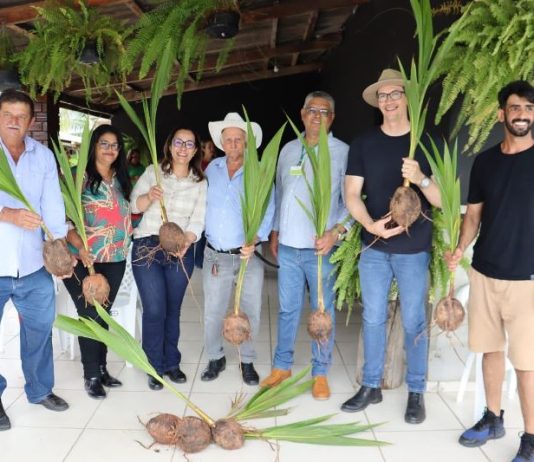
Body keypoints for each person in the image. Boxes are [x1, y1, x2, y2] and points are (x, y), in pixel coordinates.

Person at [341, 69, 441, 423]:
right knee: (373, 317)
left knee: (414, 320)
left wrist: (421, 178)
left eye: (394, 93)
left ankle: (416, 391)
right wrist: (371, 225)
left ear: (407, 98)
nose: (388, 101)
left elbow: (441, 200)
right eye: (382, 96)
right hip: (374, 248)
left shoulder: (426, 142)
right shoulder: (364, 143)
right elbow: (351, 194)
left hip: (414, 250)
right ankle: (371, 386)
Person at [445, 80, 534, 461]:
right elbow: (473, 216)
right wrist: (460, 248)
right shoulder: (485, 162)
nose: (522, 115)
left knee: (527, 364)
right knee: (490, 350)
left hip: (527, 279)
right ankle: (493, 418)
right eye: (515, 108)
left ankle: (531, 438)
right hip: (484, 272)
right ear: (501, 114)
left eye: (528, 108)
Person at [261, 91, 349, 400]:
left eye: (324, 112)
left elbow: (352, 200)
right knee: (287, 309)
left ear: (332, 118)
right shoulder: (288, 149)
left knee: (322, 312)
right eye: (312, 110)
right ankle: (281, 366)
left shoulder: (342, 152)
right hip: (288, 246)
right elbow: (279, 193)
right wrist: (275, 230)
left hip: (320, 249)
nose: (317, 116)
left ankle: (320, 372)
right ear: (302, 113)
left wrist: (337, 233)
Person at [0, 89, 70, 431]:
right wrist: (7, 214)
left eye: (21, 116)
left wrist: (59, 250)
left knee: (40, 331)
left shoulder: (42, 157)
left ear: (31, 121)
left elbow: (53, 205)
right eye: (7, 114)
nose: (14, 121)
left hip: (32, 265)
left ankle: (40, 390)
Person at [131, 127, 207, 390]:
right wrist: (149, 196)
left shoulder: (200, 182)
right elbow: (133, 205)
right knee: (154, 309)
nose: (183, 148)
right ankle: (153, 365)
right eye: (178, 142)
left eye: (189, 143)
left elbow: (198, 219)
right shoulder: (153, 172)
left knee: (173, 309)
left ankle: (171, 362)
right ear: (170, 145)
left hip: (180, 248)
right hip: (147, 245)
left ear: (195, 150)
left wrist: (186, 241)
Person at [201, 112, 274, 386]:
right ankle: (215, 357)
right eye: (228, 139)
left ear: (246, 143)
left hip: (248, 256)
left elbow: (269, 209)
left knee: (251, 310)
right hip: (215, 255)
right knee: (213, 310)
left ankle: (247, 360)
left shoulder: (260, 172)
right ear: (222, 143)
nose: (232, 144)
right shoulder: (212, 169)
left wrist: (256, 239)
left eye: (238, 139)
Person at [62, 124, 133, 400]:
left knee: (103, 313)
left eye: (115, 145)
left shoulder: (121, 178)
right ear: (93, 146)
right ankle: (91, 375)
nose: (110, 149)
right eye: (104, 143)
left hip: (115, 257)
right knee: (90, 314)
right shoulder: (77, 177)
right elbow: (63, 221)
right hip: (82, 258)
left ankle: (102, 368)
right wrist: (80, 247)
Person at [194, 140, 216, 269]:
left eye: (213, 147)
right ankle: (199, 260)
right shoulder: (200, 164)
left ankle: (205, 260)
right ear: (203, 149)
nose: (212, 149)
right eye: (209, 147)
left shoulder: (216, 163)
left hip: (212, 202)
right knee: (201, 233)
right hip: (202, 202)